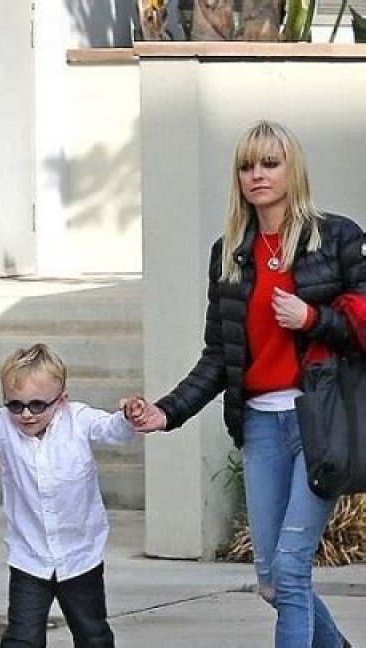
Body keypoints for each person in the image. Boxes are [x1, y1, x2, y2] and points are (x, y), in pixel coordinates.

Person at [126, 120, 366, 647]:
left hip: (319, 423)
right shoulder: (230, 252)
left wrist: (311, 319)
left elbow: (361, 322)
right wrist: (168, 410)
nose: (257, 174)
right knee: (272, 581)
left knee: (291, 568)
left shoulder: (338, 238)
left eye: (270, 163)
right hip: (260, 426)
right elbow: (219, 355)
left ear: (292, 169)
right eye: (246, 165)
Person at [0, 342, 139, 648]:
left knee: (93, 635)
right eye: (15, 405)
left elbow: (112, 429)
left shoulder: (79, 420)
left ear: (61, 400)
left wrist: (128, 416)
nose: (25, 414)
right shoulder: (1, 426)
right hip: (30, 560)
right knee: (22, 638)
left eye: (37, 405)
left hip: (80, 557)